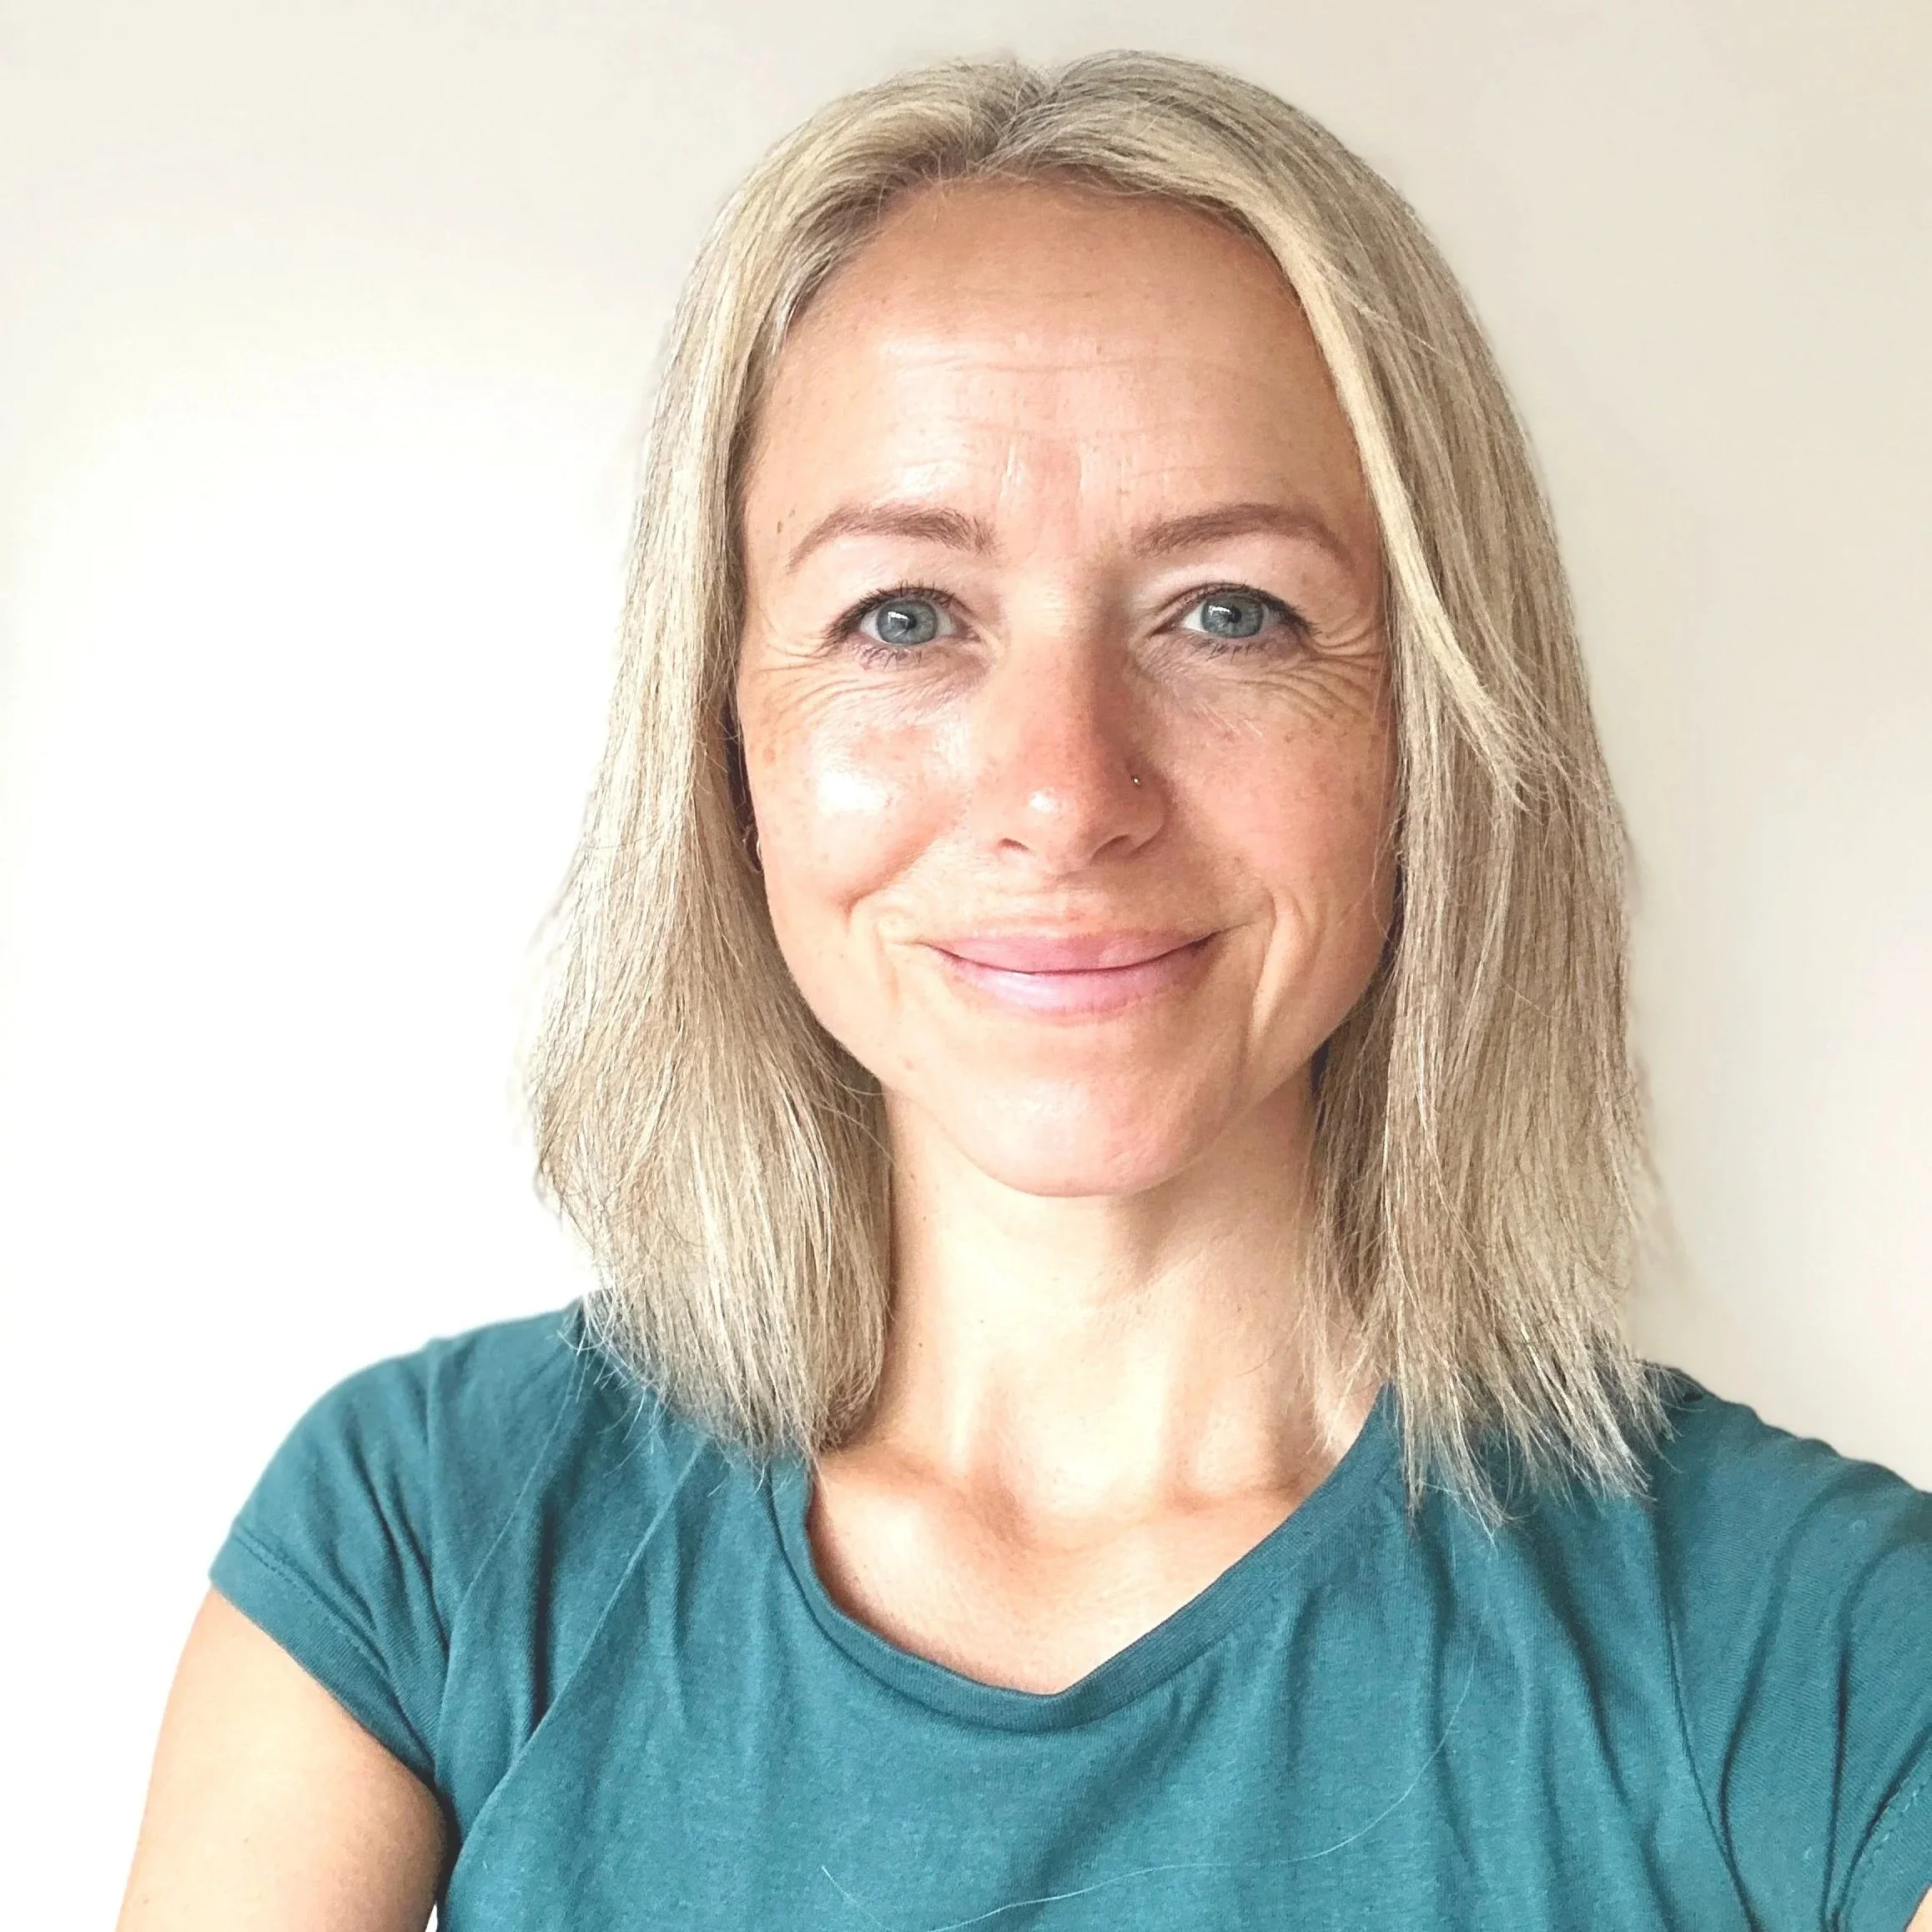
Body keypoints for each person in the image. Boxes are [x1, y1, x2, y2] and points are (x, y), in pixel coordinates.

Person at [116, 51, 1931, 1932]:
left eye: (1232, 611)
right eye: (904, 618)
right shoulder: (427, 1545)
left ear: (1432, 738)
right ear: (727, 741)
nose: (1065, 792)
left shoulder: (1828, 1646)